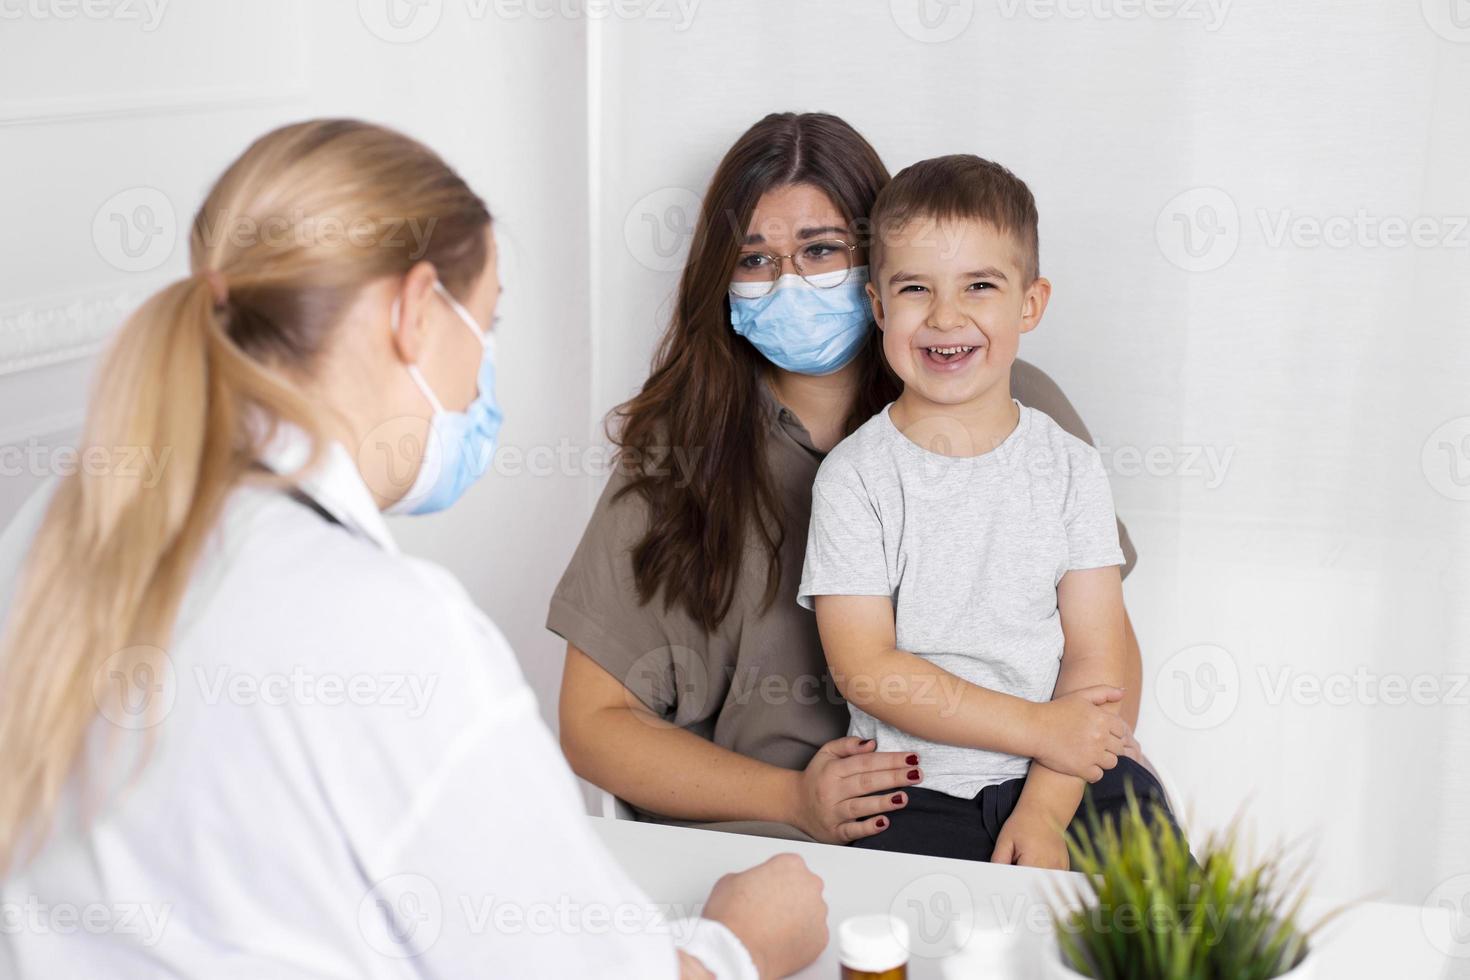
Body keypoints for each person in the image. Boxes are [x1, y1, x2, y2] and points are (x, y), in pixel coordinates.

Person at [0, 119, 826, 979]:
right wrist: (740, 944)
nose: (484, 374)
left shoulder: (53, 529)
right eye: (487, 322)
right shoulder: (383, 629)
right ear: (414, 310)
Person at [552, 112, 1146, 847]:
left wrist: (1055, 793)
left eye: (822, 250)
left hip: (1032, 791)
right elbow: (593, 724)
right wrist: (794, 799)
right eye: (755, 259)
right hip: (788, 843)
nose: (790, 284)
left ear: (877, 260)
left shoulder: (1022, 412)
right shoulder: (677, 463)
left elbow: (1107, 651)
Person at [801, 154, 1177, 867]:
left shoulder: (1070, 468)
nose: (947, 316)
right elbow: (868, 669)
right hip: (913, 794)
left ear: (1029, 304)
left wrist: (1044, 806)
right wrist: (1041, 728)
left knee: (1174, 934)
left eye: (980, 285)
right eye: (916, 288)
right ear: (878, 306)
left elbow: (1099, 659)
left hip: (1068, 781)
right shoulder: (855, 479)